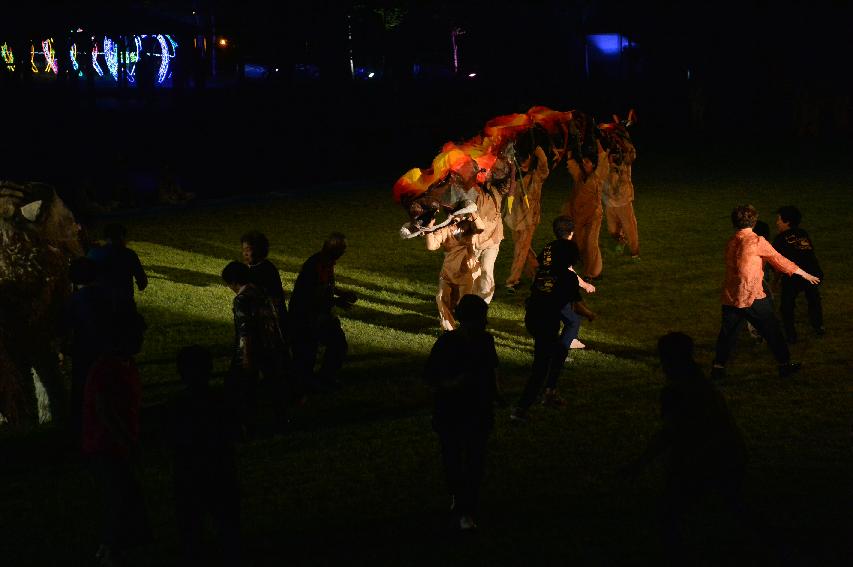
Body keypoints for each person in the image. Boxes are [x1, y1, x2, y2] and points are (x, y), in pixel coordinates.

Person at [621, 332, 748, 564]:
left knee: (673, 511)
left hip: (702, 456)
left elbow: (671, 431)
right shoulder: (697, 379)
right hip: (728, 451)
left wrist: (640, 463)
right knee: (724, 508)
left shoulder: (676, 389)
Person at [711, 205, 820, 380]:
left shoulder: (732, 241)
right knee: (772, 330)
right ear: (753, 221)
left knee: (728, 333)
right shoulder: (757, 241)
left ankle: (718, 367)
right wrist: (804, 273)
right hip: (752, 295)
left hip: (731, 296)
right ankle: (784, 365)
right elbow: (779, 260)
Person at [81, 311, 151, 566]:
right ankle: (110, 548)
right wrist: (127, 440)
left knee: (125, 496)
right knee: (118, 498)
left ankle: (114, 546)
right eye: (137, 336)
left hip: (119, 444)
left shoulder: (126, 364)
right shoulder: (105, 368)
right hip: (105, 446)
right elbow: (104, 411)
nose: (141, 340)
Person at [425, 294, 497, 531]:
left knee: (467, 460)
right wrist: (456, 384)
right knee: (462, 459)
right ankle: (463, 505)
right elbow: (434, 378)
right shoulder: (456, 344)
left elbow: (490, 373)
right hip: (458, 410)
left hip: (464, 411)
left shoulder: (478, 341)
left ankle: (464, 504)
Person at [510, 217, 594, 422]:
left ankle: (550, 391)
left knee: (556, 356)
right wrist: (591, 314)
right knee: (541, 367)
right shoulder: (567, 278)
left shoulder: (544, 273)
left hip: (533, 318)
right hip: (546, 324)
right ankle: (521, 409)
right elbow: (577, 307)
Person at [171, 346, 241, 566]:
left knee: (192, 526)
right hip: (218, 471)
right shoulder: (219, 401)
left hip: (189, 473)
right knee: (225, 523)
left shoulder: (175, 406)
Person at [221, 261, 288, 434]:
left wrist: (246, 356)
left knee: (238, 389)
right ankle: (281, 419)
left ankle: (245, 426)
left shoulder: (241, 300)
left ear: (234, 282)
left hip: (251, 350)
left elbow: (246, 331)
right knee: (273, 386)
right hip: (271, 347)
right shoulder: (262, 293)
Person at [288, 233, 356, 392]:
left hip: (314, 314)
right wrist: (338, 301)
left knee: (316, 349)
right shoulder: (317, 264)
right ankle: (319, 379)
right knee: (327, 346)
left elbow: (327, 285)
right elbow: (314, 296)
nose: (343, 253)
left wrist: (342, 293)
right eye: (342, 249)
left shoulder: (325, 261)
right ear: (333, 249)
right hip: (307, 316)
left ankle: (313, 380)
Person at [63, 256, 112, 446]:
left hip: (84, 352)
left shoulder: (74, 300)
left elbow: (64, 326)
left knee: (83, 391)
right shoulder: (107, 296)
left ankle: (82, 433)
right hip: (106, 350)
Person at [424, 200, 485, 330]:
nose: (454, 217)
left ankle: (467, 329)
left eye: (457, 213)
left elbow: (480, 228)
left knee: (465, 303)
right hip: (448, 271)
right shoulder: (444, 229)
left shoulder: (468, 226)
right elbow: (432, 246)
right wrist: (429, 229)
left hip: (465, 271)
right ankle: (448, 329)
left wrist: (472, 211)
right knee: (441, 297)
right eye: (451, 214)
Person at [772, 205, 825, 343]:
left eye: (779, 219)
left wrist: (775, 283)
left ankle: (791, 335)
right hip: (812, 271)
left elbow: (778, 265)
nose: (777, 222)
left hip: (794, 275)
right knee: (813, 298)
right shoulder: (803, 233)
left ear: (787, 221)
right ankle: (818, 325)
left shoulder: (779, 239)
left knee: (787, 305)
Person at [561, 138, 609, 280]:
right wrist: (569, 148)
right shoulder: (579, 176)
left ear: (594, 165)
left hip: (594, 215)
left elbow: (603, 159)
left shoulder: (598, 176)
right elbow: (571, 164)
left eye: (587, 162)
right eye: (584, 161)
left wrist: (597, 140)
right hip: (578, 215)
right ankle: (585, 263)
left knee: (591, 243)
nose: (584, 163)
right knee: (579, 243)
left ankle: (592, 273)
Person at [504, 145, 549, 293]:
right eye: (521, 158)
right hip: (514, 219)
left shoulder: (537, 176)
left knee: (520, 250)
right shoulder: (513, 176)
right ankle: (539, 272)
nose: (523, 161)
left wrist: (538, 150)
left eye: (526, 158)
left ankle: (512, 281)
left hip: (529, 219)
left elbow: (544, 166)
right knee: (524, 249)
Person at [87, 223, 148, 315]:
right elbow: (142, 283)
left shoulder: (94, 253)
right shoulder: (129, 255)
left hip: (99, 305)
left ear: (106, 238)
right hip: (124, 305)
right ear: (122, 237)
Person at [241, 230, 289, 342]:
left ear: (259, 251)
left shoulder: (265, 270)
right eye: (243, 250)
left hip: (269, 321)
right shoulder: (253, 268)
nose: (244, 254)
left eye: (248, 250)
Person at [603, 143, 640, 260]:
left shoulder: (625, 164)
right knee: (612, 231)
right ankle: (622, 241)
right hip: (609, 204)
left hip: (624, 203)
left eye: (616, 155)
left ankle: (635, 253)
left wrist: (623, 135)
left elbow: (631, 153)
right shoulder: (604, 167)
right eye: (612, 155)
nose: (614, 157)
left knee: (630, 229)